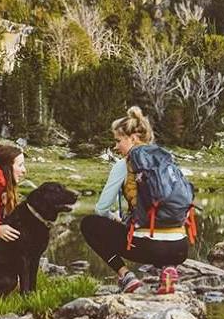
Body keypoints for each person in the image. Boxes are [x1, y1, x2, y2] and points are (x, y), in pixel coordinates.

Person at [80, 106, 189, 294]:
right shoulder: (166, 160)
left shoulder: (124, 165)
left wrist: (114, 217)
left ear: (133, 138)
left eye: (118, 140)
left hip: (147, 247)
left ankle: (126, 277)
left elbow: (101, 208)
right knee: (160, 227)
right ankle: (169, 269)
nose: (116, 147)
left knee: (89, 224)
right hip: (180, 248)